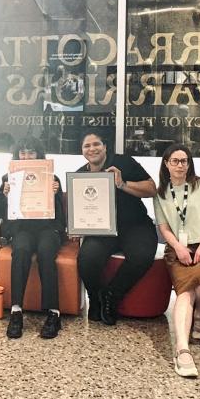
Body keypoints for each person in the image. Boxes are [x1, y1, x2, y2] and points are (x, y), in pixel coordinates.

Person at [154, 144, 200, 377]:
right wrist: (178, 248)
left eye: (184, 161)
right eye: (175, 161)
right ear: (166, 164)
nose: (180, 165)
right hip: (178, 249)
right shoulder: (161, 192)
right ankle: (182, 350)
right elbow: (163, 228)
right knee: (186, 290)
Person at [75, 131, 158, 326]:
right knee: (87, 258)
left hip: (134, 224)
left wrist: (122, 184)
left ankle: (111, 295)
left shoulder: (124, 162)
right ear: (82, 151)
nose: (92, 149)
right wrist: (76, 226)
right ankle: (95, 298)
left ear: (105, 147)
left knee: (142, 255)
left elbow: (151, 189)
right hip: (102, 229)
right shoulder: (80, 175)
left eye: (96, 144)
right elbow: (79, 208)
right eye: (87, 146)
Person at [0, 136, 65, 340]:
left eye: (32, 152)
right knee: (21, 251)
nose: (27, 156)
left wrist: (55, 194)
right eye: (23, 152)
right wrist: (4, 196)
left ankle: (54, 313)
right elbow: (0, 214)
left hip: (47, 228)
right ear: (17, 155)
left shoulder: (51, 177)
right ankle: (16, 311)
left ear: (39, 155)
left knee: (46, 252)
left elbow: (60, 216)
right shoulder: (6, 179)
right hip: (22, 229)